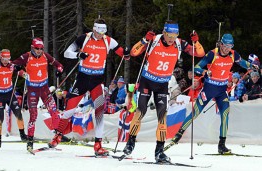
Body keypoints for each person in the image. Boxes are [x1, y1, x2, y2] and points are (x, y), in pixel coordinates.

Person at [122, 21, 205, 162]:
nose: (172, 38)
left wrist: (196, 42)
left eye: (175, 35)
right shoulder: (154, 40)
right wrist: (145, 39)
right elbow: (133, 52)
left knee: (162, 117)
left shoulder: (179, 44)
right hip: (147, 81)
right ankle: (130, 143)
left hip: (162, 85)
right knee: (140, 111)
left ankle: (159, 152)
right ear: (164, 33)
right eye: (169, 35)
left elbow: (199, 53)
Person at [48, 18, 130, 156]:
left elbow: (123, 54)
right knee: (70, 109)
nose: (100, 35)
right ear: (94, 29)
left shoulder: (109, 41)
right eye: (98, 31)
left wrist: (126, 53)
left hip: (97, 82)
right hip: (82, 80)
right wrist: (78, 54)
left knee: (99, 112)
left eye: (103, 32)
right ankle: (58, 135)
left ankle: (98, 144)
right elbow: (66, 53)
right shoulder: (83, 38)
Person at [169, 33, 258, 154]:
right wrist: (204, 71)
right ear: (221, 44)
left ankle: (222, 145)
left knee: (225, 114)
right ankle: (177, 136)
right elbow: (196, 67)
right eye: (225, 45)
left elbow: (242, 62)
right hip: (209, 89)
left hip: (221, 91)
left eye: (230, 46)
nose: (227, 48)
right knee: (195, 113)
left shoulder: (233, 54)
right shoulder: (212, 54)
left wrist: (251, 66)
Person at [12, 38, 64, 152]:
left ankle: (58, 135)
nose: (39, 51)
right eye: (37, 48)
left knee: (54, 112)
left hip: (44, 89)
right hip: (32, 90)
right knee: (33, 116)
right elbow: (12, 65)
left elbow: (59, 65)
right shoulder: (26, 56)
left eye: (41, 49)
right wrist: (20, 71)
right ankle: (30, 141)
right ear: (32, 47)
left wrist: (59, 70)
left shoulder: (45, 56)